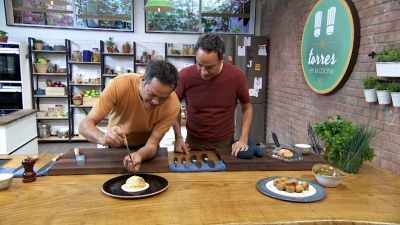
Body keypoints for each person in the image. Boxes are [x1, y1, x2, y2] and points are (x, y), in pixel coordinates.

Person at [79, 60, 180, 172]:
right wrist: (102, 137)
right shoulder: (120, 85)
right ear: (142, 80)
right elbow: (84, 125)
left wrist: (140, 155)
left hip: (146, 150)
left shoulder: (173, 104)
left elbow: (152, 144)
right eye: (152, 94)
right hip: (115, 147)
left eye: (163, 98)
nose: (156, 102)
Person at [173, 33, 253, 156]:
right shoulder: (185, 76)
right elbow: (172, 107)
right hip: (193, 142)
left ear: (221, 60)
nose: (203, 72)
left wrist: (243, 139)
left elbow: (247, 108)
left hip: (224, 143)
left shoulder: (237, 76)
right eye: (199, 65)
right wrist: (178, 137)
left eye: (210, 67)